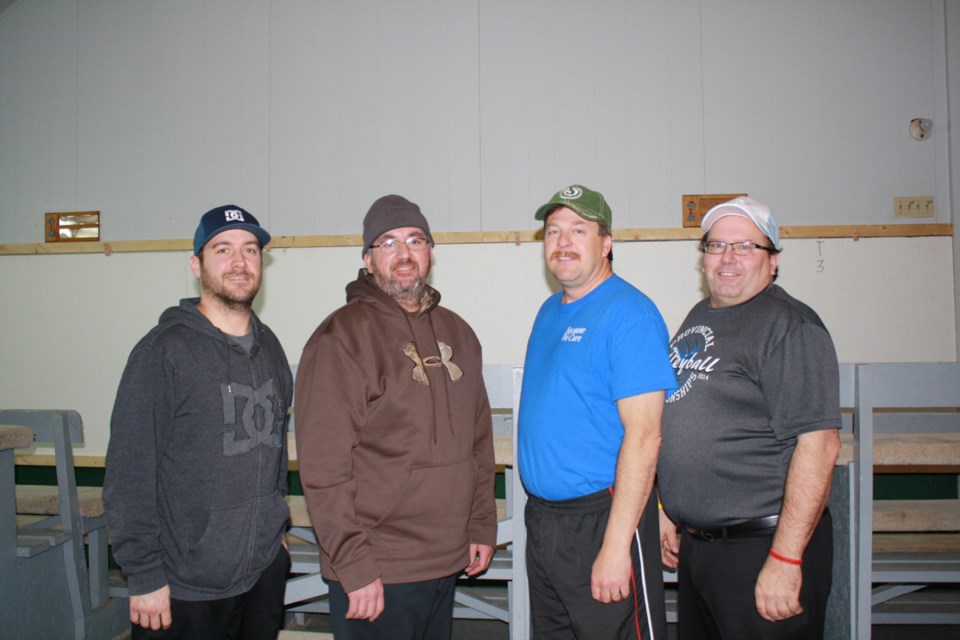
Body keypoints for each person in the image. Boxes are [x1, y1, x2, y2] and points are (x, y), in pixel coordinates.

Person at [294, 194, 497, 639]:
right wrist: (353, 564)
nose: (404, 254)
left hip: (447, 558)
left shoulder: (460, 334)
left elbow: (479, 442)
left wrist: (481, 523)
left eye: (415, 240)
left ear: (430, 253)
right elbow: (324, 467)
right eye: (387, 243)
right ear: (368, 260)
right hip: (378, 568)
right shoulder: (340, 338)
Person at [103, 205, 293, 639]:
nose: (239, 262)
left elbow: (275, 445)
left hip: (261, 572)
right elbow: (129, 472)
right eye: (222, 249)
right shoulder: (162, 353)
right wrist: (144, 573)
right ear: (197, 265)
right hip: (184, 584)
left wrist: (275, 527)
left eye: (250, 250)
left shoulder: (271, 349)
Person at [657, 196, 842, 639]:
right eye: (717, 246)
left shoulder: (791, 326)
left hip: (763, 546)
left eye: (744, 247)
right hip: (703, 550)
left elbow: (819, 445)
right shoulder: (701, 315)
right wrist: (668, 506)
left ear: (773, 260)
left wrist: (786, 559)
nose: (727, 258)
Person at [518, 184, 677, 639]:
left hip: (603, 520)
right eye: (553, 231)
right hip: (545, 522)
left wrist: (615, 546)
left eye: (578, 229)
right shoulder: (549, 311)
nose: (562, 242)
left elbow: (645, 437)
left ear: (606, 243)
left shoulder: (631, 315)